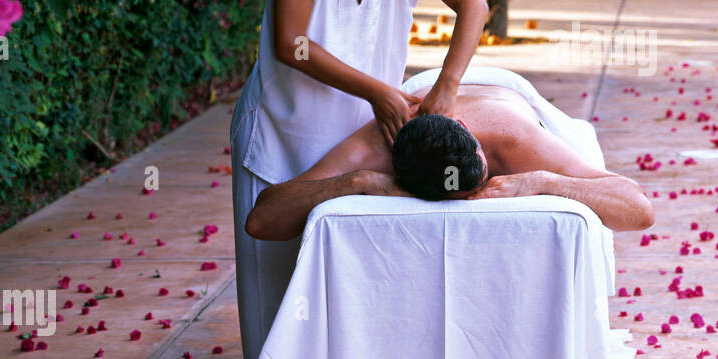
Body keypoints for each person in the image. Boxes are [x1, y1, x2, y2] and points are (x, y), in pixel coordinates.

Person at [230, 0, 488, 359]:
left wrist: (448, 84)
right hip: (284, 132)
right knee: (278, 293)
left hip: (359, 141)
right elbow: (291, 44)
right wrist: (376, 91)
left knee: (351, 289)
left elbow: (472, 5)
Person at [244, 80, 655, 240]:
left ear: (462, 126)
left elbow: (638, 209)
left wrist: (542, 182)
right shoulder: (368, 149)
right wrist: (355, 184)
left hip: (506, 92)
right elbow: (261, 221)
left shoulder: (512, 137)